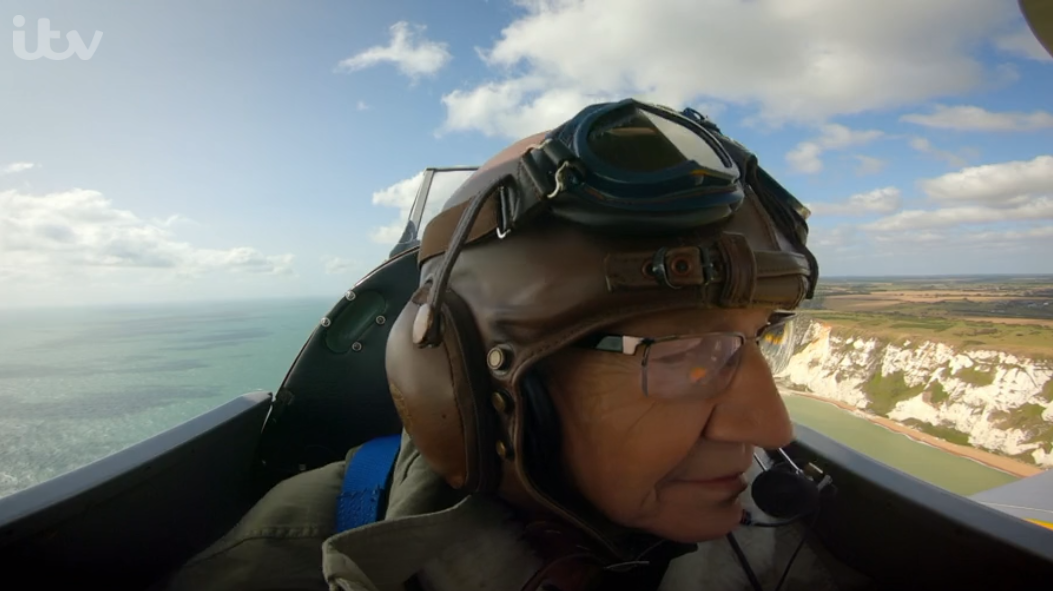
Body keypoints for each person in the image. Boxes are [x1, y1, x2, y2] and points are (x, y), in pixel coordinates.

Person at [158, 99, 875, 591]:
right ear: (467, 381)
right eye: (686, 355)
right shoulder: (283, 562)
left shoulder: (775, 532)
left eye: (762, 338)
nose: (768, 428)